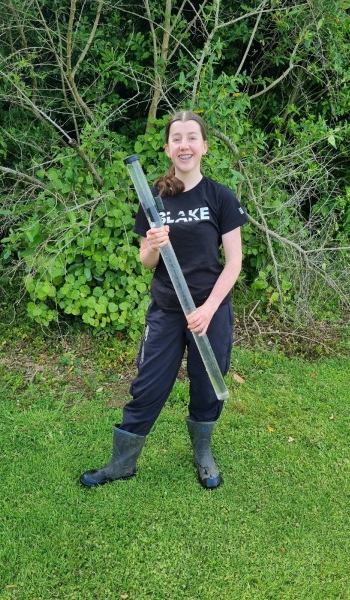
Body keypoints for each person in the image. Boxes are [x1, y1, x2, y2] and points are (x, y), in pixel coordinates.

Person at [80, 110, 249, 489]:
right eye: (177, 138)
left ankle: (203, 454)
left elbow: (234, 262)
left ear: (204, 146)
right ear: (168, 148)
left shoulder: (220, 196)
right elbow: (146, 261)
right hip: (168, 311)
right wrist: (154, 245)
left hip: (209, 310)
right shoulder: (154, 198)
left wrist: (208, 309)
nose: (184, 144)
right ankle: (121, 464)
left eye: (192, 137)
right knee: (149, 384)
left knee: (207, 385)